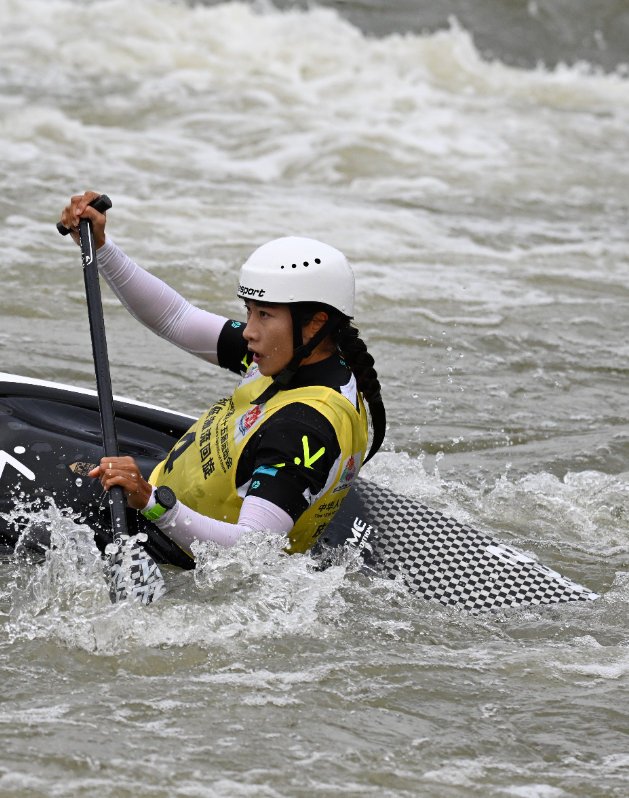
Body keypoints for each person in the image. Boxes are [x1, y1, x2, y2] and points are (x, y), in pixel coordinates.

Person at [59, 192, 385, 557]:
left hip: (177, 549)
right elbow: (177, 318)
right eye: (249, 311)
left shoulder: (303, 427)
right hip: (165, 494)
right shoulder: (294, 356)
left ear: (315, 324)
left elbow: (251, 549)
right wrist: (100, 248)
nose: (249, 331)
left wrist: (150, 500)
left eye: (265, 314)